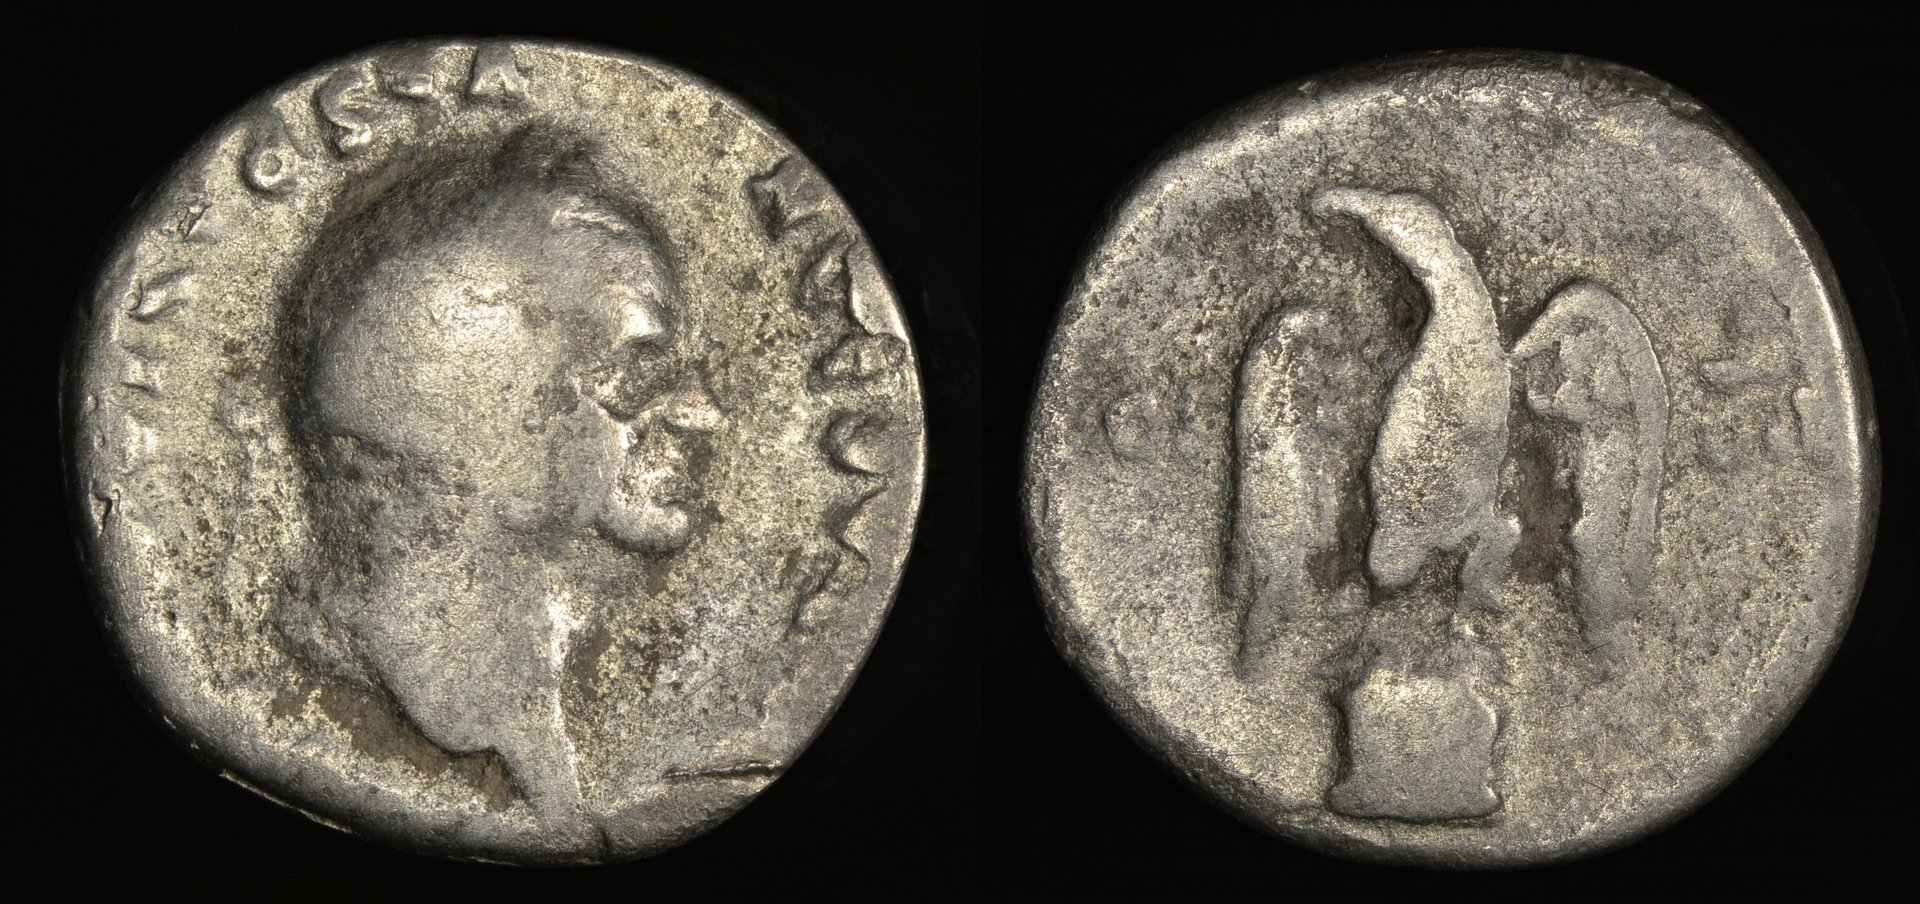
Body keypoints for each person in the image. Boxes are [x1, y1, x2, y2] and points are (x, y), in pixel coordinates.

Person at [280, 133, 723, 839]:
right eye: (630, 371)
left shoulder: (524, 675)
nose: (702, 413)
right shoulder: (413, 700)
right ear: (481, 408)